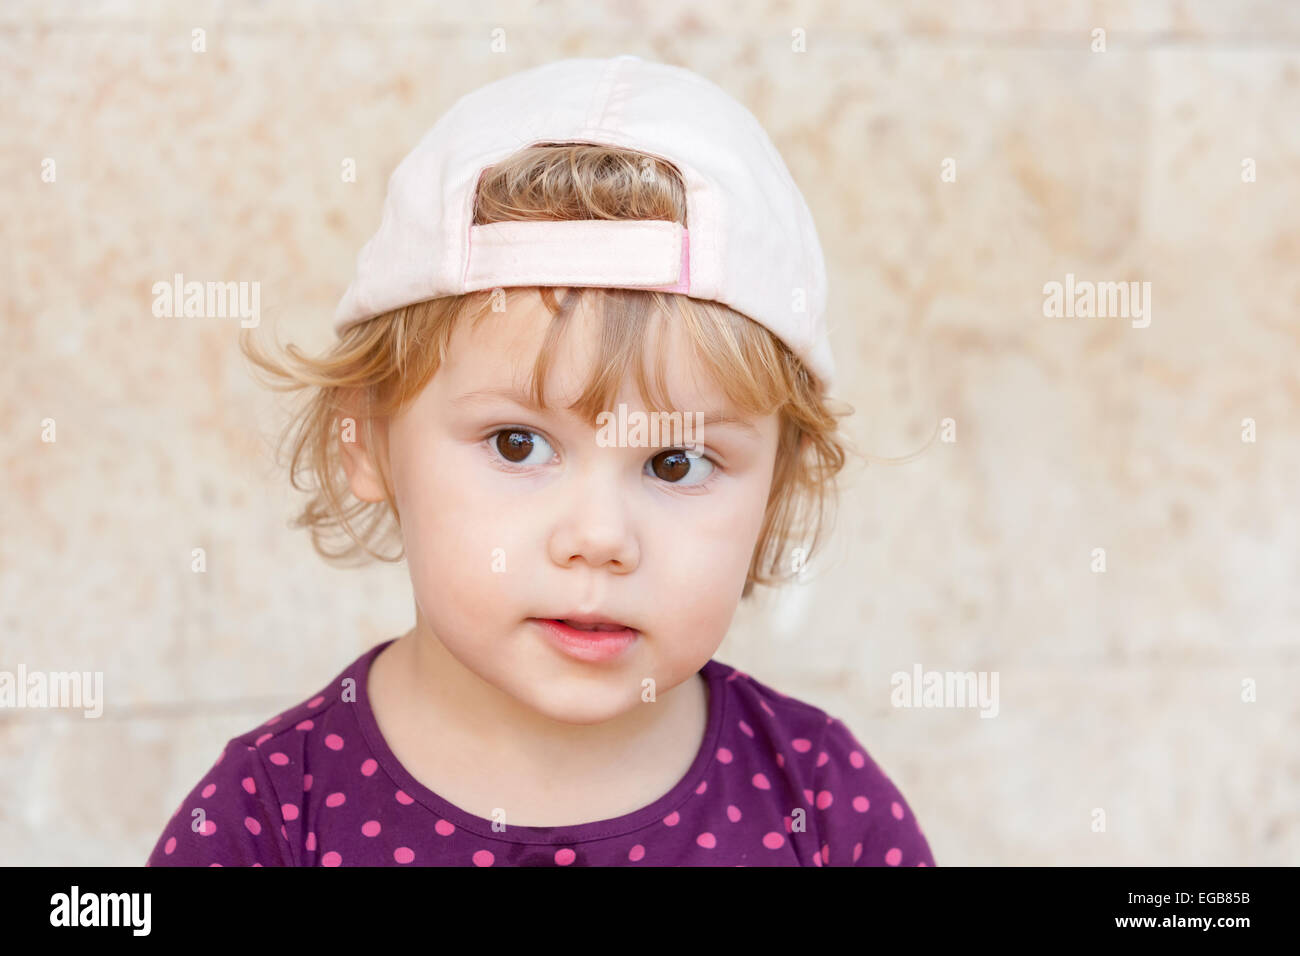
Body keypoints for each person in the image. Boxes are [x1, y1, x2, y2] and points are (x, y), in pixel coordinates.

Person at [146, 55, 935, 867]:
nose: (599, 538)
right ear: (368, 438)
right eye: (518, 444)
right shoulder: (269, 819)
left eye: (676, 463)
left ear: (777, 490)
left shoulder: (827, 806)